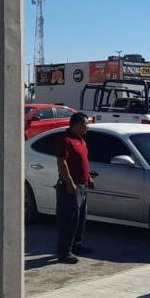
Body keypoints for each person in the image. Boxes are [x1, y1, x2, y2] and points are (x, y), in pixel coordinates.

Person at [55, 112, 94, 264]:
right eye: (85, 124)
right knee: (68, 220)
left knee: (80, 219)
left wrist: (88, 178)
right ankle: (64, 252)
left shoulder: (81, 140)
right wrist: (70, 183)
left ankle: (77, 245)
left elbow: (83, 161)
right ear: (77, 124)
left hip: (83, 186)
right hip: (71, 187)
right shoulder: (65, 140)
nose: (87, 127)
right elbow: (61, 163)